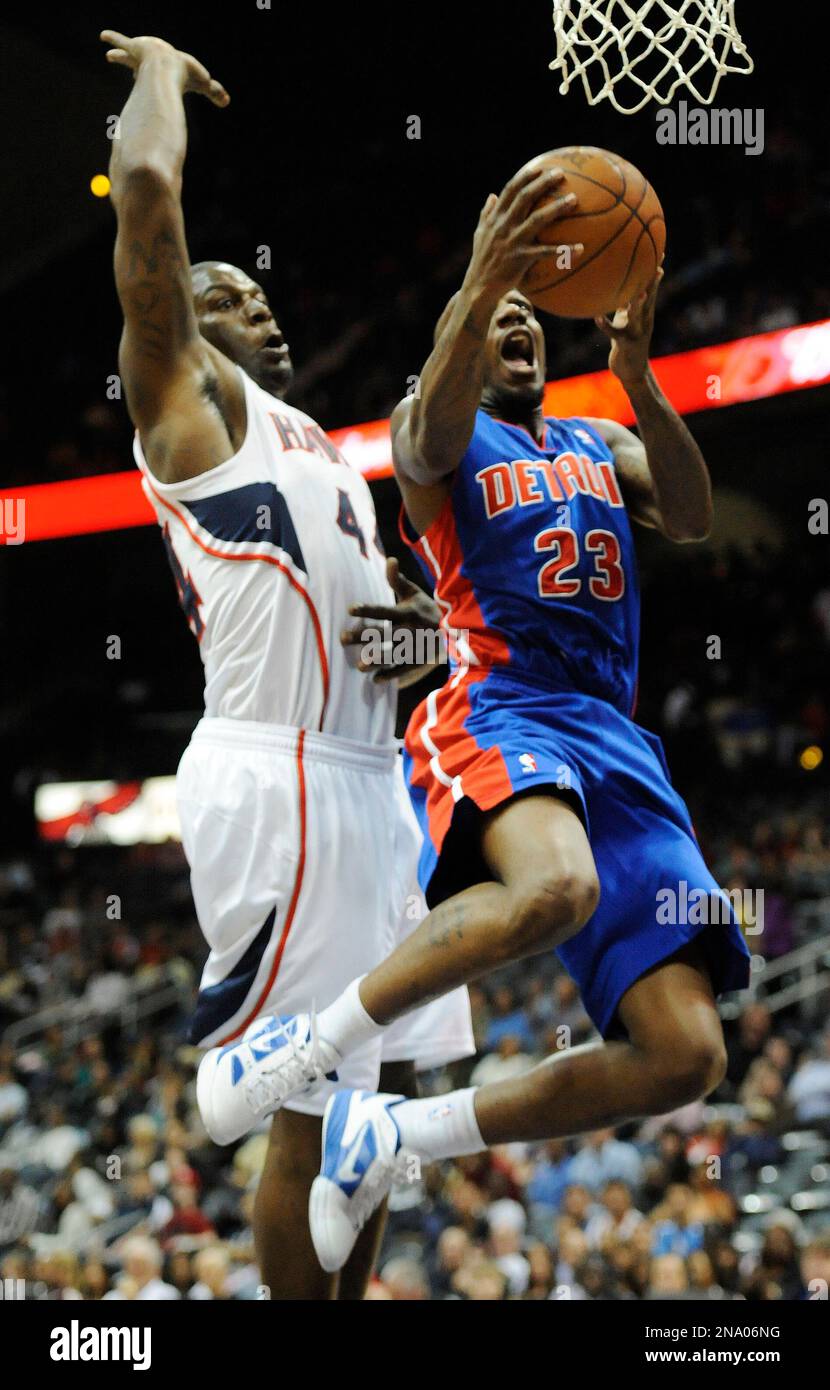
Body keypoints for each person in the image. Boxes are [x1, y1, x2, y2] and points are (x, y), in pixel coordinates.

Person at [200, 157, 751, 1272]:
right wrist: (481, 278)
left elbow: (690, 515)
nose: (519, 329)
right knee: (554, 885)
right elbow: (426, 435)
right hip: (498, 708)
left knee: (686, 1054)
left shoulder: (596, 444)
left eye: (527, 318)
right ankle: (320, 1044)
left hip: (614, 739)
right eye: (494, 317)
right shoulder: (432, 437)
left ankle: (401, 1130)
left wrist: (637, 375)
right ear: (457, 335)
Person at [101, 28, 473, 1299]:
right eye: (218, 298)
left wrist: (424, 633)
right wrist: (157, 67)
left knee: (372, 1114)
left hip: (369, 780)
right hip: (282, 772)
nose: (252, 302)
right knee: (311, 1103)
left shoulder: (322, 445)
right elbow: (147, 199)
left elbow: (403, 638)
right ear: (175, 335)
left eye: (254, 295)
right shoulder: (188, 417)